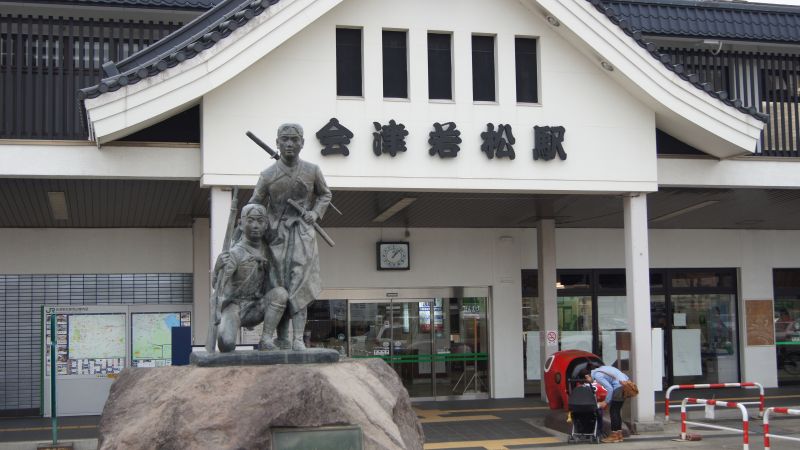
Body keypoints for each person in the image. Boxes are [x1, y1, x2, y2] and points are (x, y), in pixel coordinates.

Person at [248, 123, 332, 351]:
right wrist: (250, 224)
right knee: (278, 285)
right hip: (276, 237)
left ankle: (298, 339)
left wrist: (315, 213)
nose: (289, 144)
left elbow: (325, 194)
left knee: (300, 284)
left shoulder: (312, 170)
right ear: (277, 142)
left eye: (294, 139)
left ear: (302, 143)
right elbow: (255, 204)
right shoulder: (268, 175)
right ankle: (281, 337)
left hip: (303, 234)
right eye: (284, 139)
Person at [214, 204, 288, 352]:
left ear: (266, 225)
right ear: (241, 224)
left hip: (258, 306)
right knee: (226, 344)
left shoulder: (269, 251)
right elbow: (218, 286)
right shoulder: (234, 253)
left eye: (260, 221)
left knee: (281, 294)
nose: (255, 225)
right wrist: (217, 269)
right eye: (250, 221)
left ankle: (266, 339)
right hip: (235, 307)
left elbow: (277, 283)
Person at [586, 362, 629, 443]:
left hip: (618, 388)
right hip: (626, 387)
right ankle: (619, 435)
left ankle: (614, 436)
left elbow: (610, 389)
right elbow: (625, 376)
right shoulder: (606, 368)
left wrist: (606, 402)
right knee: (616, 411)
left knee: (613, 412)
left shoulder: (597, 375)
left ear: (588, 375)